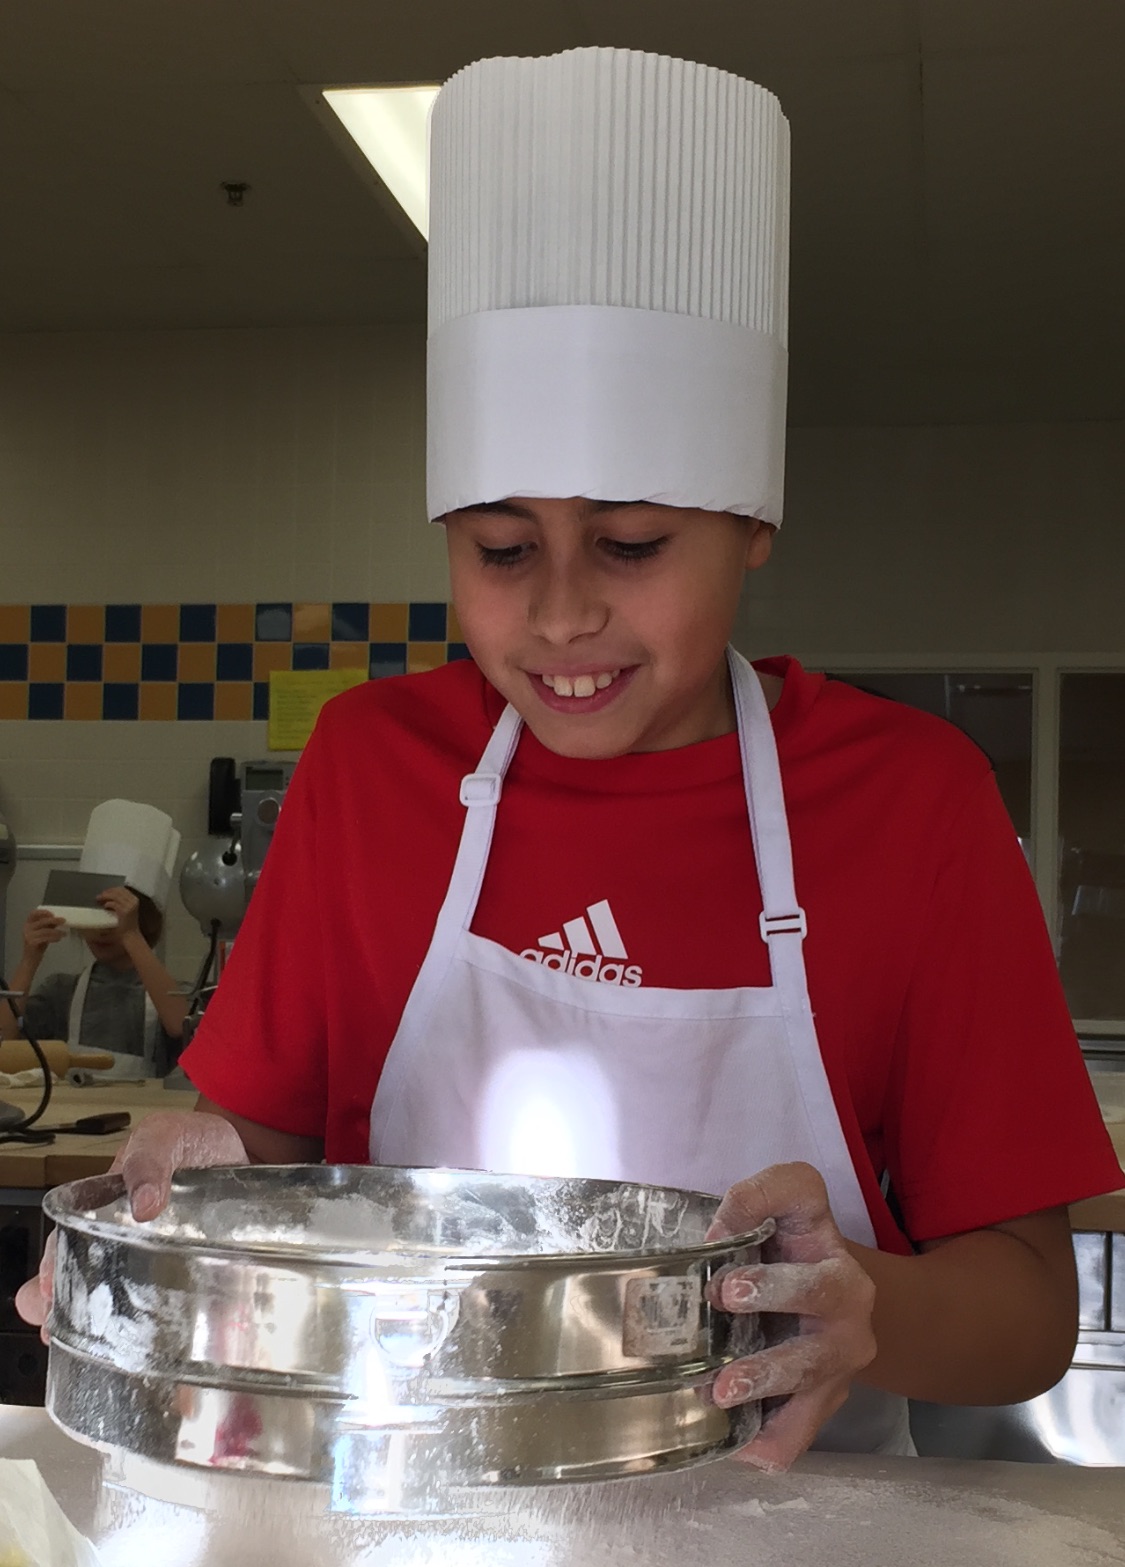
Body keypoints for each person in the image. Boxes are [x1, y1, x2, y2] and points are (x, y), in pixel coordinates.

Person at [18, 50, 1121, 1468]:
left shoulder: (910, 802)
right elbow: (277, 1151)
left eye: (632, 545)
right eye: (499, 549)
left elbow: (1027, 1308)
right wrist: (189, 1198)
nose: (557, 615)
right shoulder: (372, 766)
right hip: (403, 1554)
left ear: (752, 523)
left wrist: (865, 1307)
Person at [1, 800, 186, 1079]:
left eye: (115, 915)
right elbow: (4, 1040)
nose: (102, 930)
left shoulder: (171, 995)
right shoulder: (60, 992)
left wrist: (132, 935)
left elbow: (180, 1027)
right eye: (94, 912)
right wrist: (29, 960)